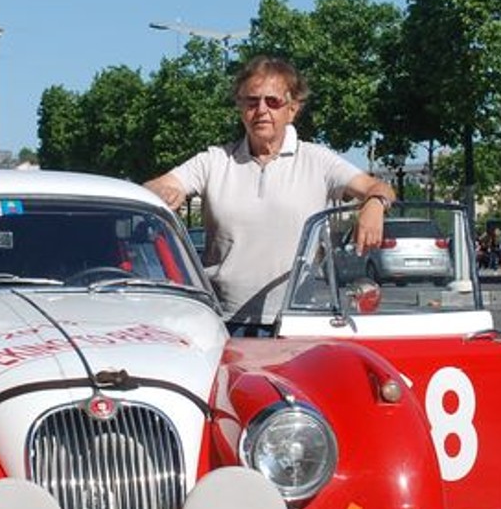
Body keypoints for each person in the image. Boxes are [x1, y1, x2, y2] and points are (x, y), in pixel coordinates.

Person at [143, 56, 396, 331]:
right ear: (240, 107)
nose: (261, 110)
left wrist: (374, 204)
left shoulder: (318, 160)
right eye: (251, 101)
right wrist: (165, 192)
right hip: (222, 321)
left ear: (293, 109)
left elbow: (378, 187)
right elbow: (152, 188)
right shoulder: (214, 161)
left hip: (296, 322)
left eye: (273, 102)